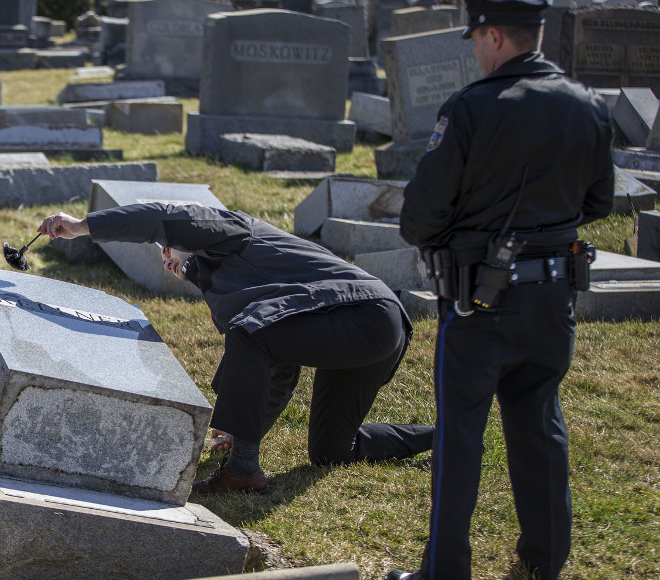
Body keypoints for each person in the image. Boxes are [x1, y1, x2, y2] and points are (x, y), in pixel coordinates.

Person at [385, 0, 614, 580]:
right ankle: (544, 562)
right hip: (554, 294)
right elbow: (599, 201)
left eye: (478, 41)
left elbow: (419, 220)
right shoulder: (587, 104)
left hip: (479, 298)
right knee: (540, 424)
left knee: (460, 434)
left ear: (493, 36)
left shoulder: (472, 108)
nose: (477, 54)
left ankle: (444, 574)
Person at [38, 203, 435, 495]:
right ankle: (440, 436)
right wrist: (247, 428)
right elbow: (280, 363)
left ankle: (243, 473)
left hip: (365, 313)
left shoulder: (229, 230)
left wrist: (82, 226)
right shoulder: (228, 286)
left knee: (250, 333)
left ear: (183, 240)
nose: (165, 261)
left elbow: (159, 217)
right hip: (371, 327)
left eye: (167, 250)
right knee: (332, 450)